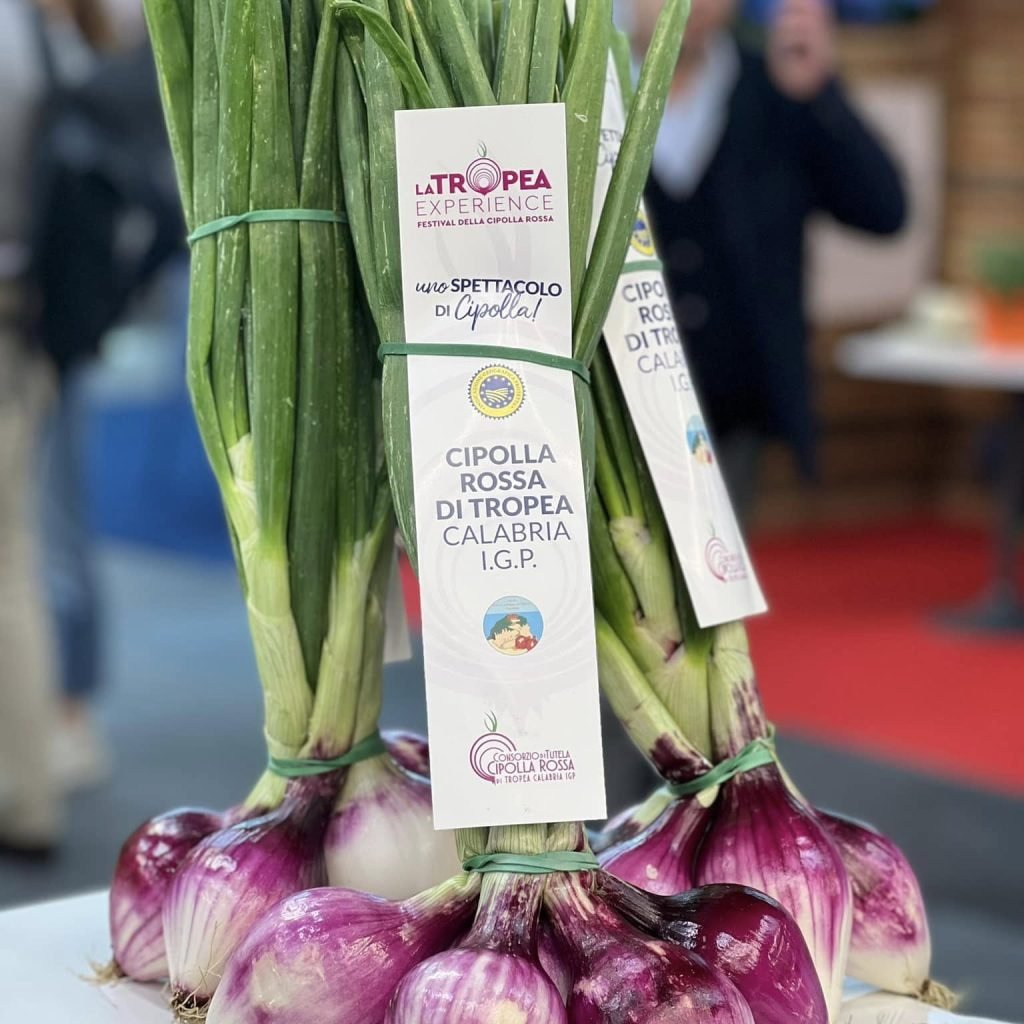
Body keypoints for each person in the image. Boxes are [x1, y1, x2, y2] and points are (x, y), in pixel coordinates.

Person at [630, 0, 907, 518]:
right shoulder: (584, 96)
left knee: (716, 576)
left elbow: (884, 211)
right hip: (613, 398)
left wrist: (820, 93)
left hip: (734, 408)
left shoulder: (775, 85)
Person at [0, 0, 65, 853]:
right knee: (13, 566)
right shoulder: (25, 28)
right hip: (23, 319)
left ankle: (31, 786)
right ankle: (32, 785)